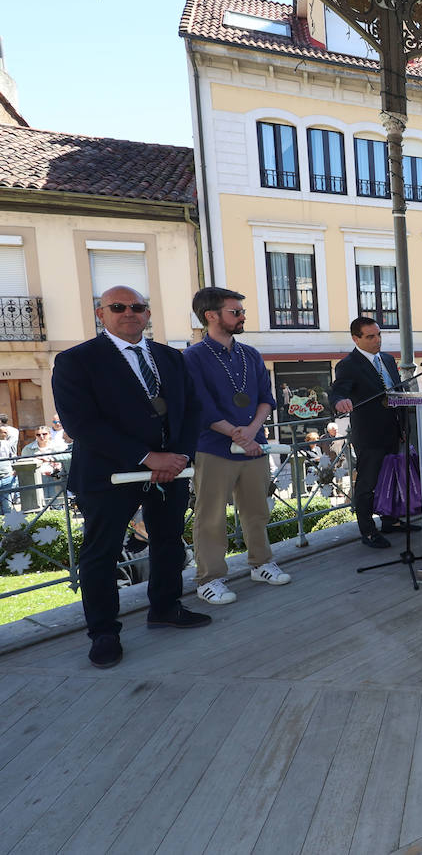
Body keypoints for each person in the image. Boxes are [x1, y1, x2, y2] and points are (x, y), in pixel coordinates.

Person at [52, 286, 211, 668]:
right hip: (109, 475)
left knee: (169, 542)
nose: (129, 313)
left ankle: (165, 607)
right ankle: (104, 633)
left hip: (170, 470)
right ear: (100, 313)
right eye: (118, 307)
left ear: (148, 313)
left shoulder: (170, 357)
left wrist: (177, 457)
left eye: (137, 307)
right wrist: (146, 456)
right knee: (101, 555)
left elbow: (191, 409)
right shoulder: (76, 361)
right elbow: (81, 423)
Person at [183, 286, 291, 606]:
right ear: (211, 316)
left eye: (242, 311)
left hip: (254, 446)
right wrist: (236, 434)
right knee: (211, 516)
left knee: (257, 510)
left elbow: (266, 400)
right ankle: (210, 578)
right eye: (236, 312)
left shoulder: (251, 355)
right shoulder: (192, 357)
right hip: (213, 448)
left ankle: (261, 563)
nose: (243, 317)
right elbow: (199, 406)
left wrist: (252, 432)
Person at [329, 317, 412, 549]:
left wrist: (403, 426)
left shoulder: (386, 359)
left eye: (379, 335)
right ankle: (368, 531)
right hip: (369, 435)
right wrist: (339, 401)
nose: (377, 340)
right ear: (356, 338)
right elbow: (338, 391)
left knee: (393, 479)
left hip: (394, 431)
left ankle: (391, 521)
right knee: (367, 484)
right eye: (370, 337)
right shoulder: (348, 365)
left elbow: (396, 392)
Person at [21, 425, 70, 505]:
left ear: (50, 434)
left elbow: (65, 462)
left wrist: (58, 468)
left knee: (57, 505)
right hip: (37, 480)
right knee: (41, 505)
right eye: (38, 435)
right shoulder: (28, 449)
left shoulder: (59, 447)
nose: (41, 436)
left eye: (44, 434)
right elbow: (24, 466)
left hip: (56, 478)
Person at [0, 413, 17, 511]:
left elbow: (12, 456)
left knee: (7, 507)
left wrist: (14, 470)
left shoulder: (6, 444)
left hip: (7, 477)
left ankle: (8, 526)